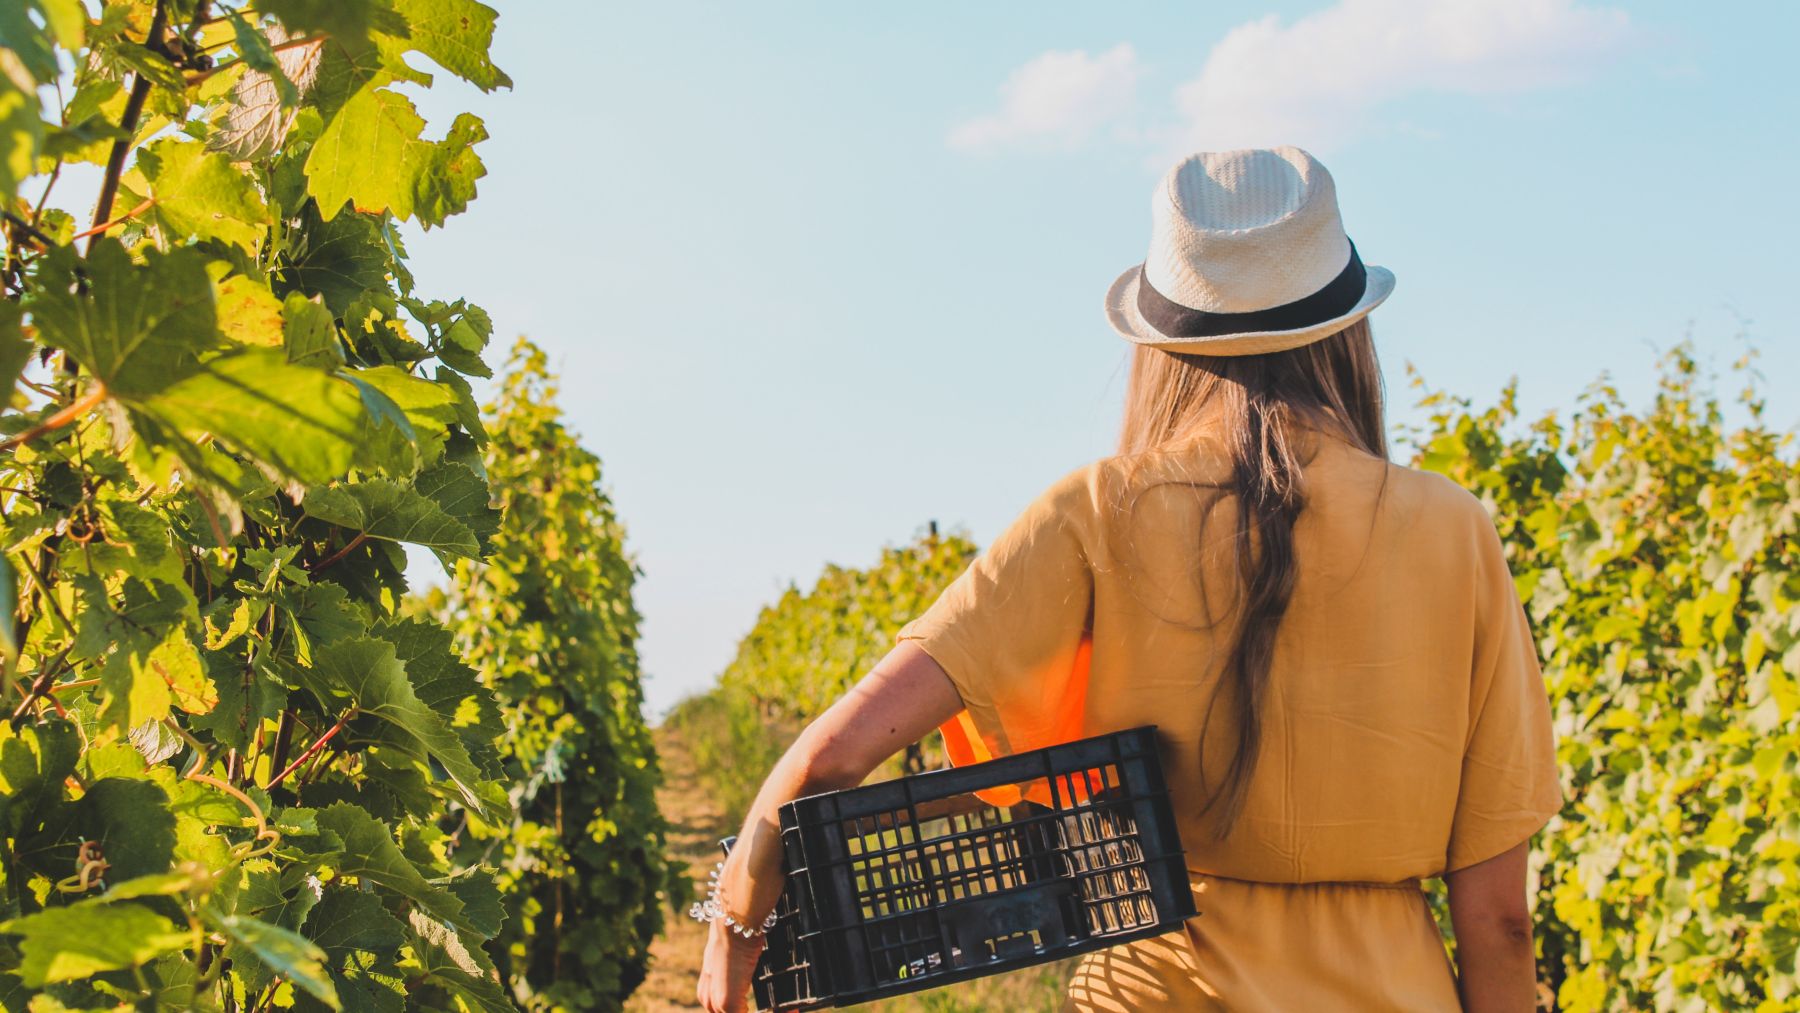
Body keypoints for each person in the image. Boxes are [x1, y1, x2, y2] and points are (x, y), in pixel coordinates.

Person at [694, 146, 1562, 1012]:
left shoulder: (1096, 510)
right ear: (1347, 333)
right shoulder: (1458, 531)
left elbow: (828, 757)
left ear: (1161, 341)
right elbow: (1498, 922)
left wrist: (734, 928)